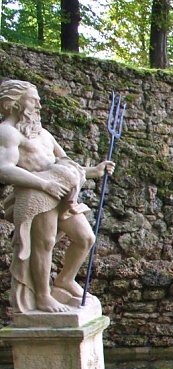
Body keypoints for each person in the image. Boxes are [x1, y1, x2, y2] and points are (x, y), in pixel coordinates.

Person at [0, 79, 114, 313]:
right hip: (37, 195)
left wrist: (94, 171)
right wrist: (44, 184)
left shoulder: (43, 134)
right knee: (45, 243)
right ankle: (42, 296)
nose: (39, 106)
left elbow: (65, 162)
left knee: (85, 238)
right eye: (34, 100)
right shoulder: (7, 132)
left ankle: (65, 280)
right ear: (14, 103)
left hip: (62, 194)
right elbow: (4, 169)